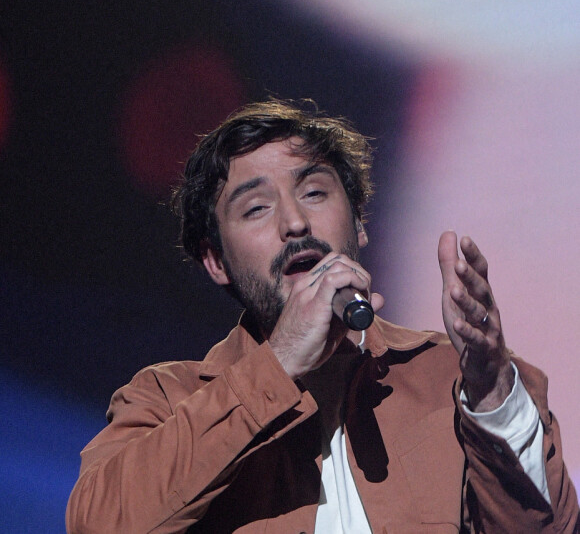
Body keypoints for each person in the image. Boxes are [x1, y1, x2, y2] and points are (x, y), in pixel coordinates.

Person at [66, 99, 579, 533]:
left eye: (314, 192)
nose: (295, 222)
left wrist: (490, 397)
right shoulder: (168, 399)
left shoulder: (455, 379)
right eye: (256, 209)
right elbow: (99, 523)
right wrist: (280, 361)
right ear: (216, 261)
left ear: (359, 225)